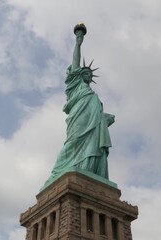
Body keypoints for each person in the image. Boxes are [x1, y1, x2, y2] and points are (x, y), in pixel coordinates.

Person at [44, 24, 115, 186]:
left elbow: (97, 113)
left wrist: (105, 119)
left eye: (90, 73)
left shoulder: (93, 95)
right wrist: (78, 41)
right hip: (79, 120)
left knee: (93, 146)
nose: (89, 74)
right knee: (72, 143)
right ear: (79, 75)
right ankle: (58, 172)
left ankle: (89, 170)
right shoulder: (75, 86)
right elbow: (75, 62)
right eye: (86, 73)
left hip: (94, 124)